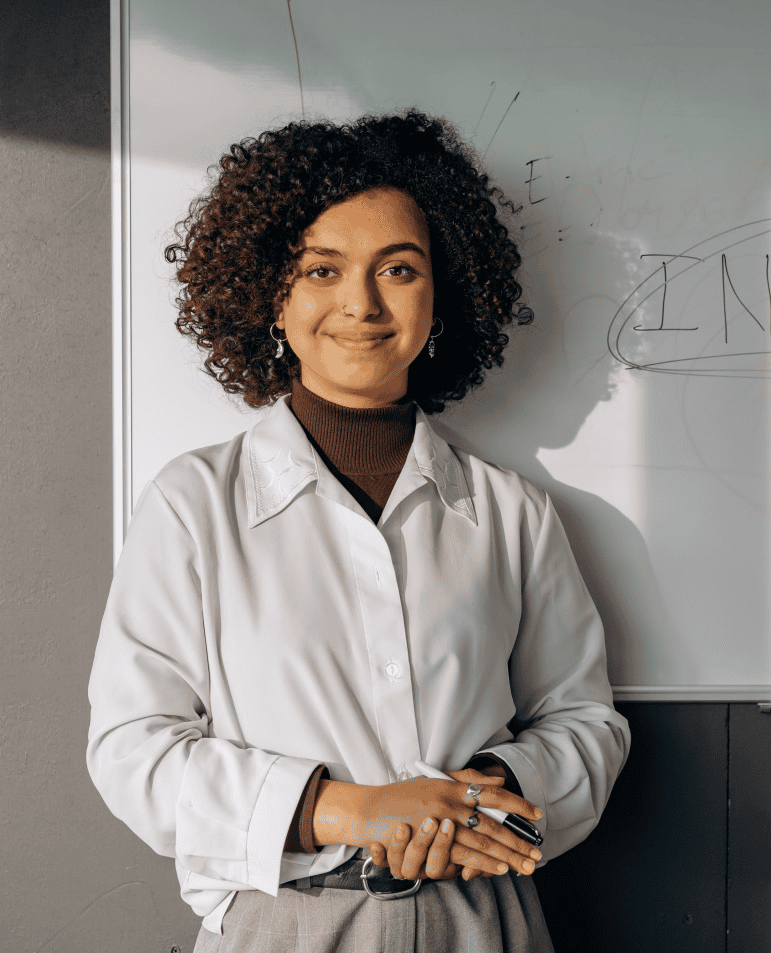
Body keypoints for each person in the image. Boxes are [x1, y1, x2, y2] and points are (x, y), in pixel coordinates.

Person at [86, 111, 630, 952]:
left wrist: (480, 799)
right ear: (273, 291)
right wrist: (353, 810)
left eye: (399, 269)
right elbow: (134, 747)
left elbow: (585, 720)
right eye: (322, 269)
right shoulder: (192, 503)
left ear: (443, 290)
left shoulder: (511, 512)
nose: (361, 304)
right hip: (284, 921)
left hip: (481, 915)